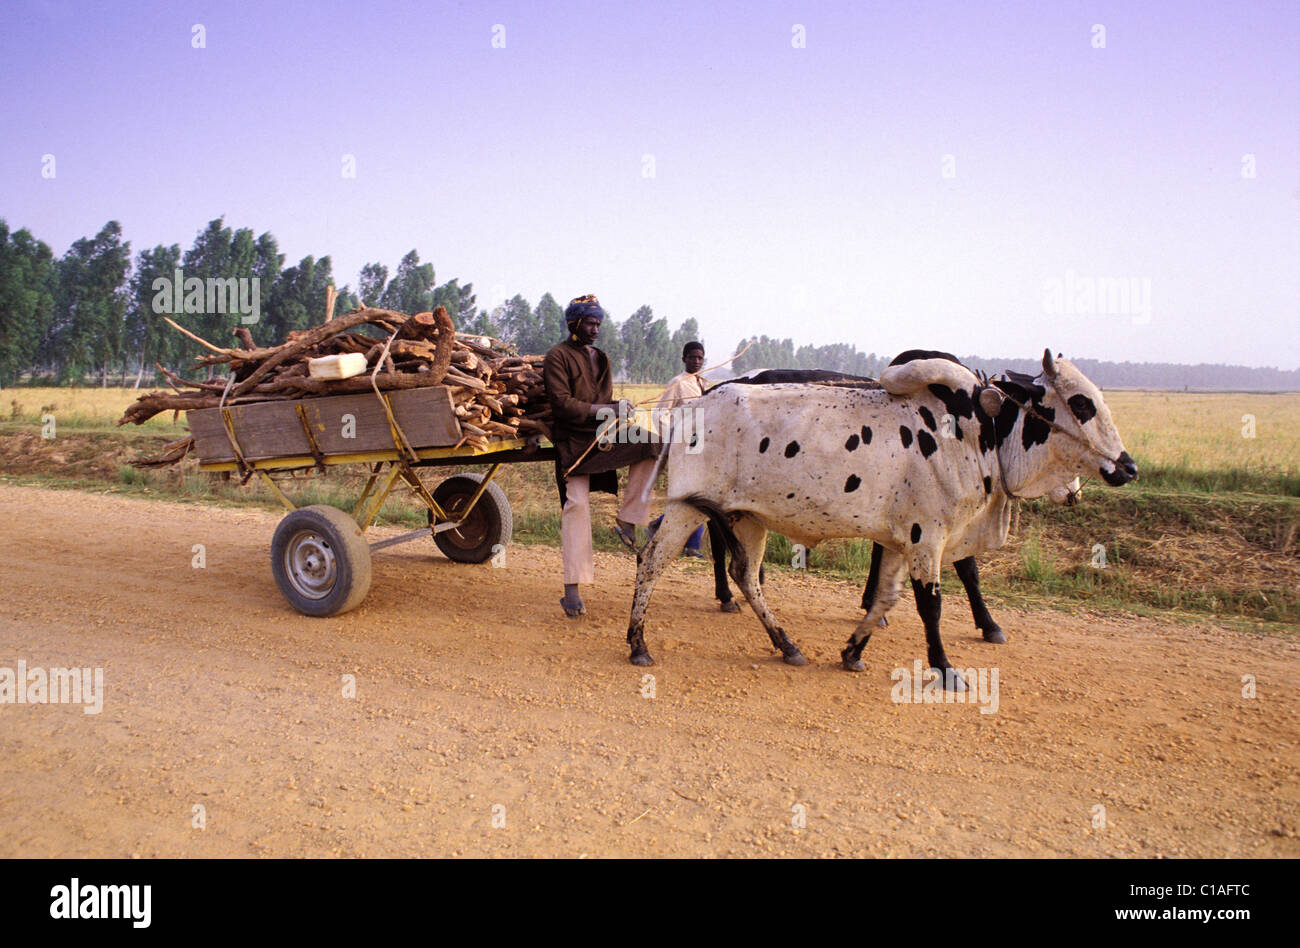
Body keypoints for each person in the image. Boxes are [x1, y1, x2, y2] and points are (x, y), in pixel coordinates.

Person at [543, 295, 659, 617]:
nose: (595, 329)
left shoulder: (601, 357)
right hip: (572, 440)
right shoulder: (557, 356)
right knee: (576, 505)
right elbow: (562, 405)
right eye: (590, 323)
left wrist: (620, 410)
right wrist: (609, 409)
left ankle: (629, 517)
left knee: (653, 445)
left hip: (602, 434)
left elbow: (604, 399)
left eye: (598, 324)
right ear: (574, 323)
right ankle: (572, 590)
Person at [647, 341, 708, 556]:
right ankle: (691, 546)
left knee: (694, 494)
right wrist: (672, 439)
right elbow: (659, 413)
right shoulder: (678, 383)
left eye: (700, 358)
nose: (696, 361)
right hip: (683, 446)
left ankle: (659, 525)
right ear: (684, 359)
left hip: (701, 446)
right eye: (692, 357)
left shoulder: (703, 383)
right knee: (696, 494)